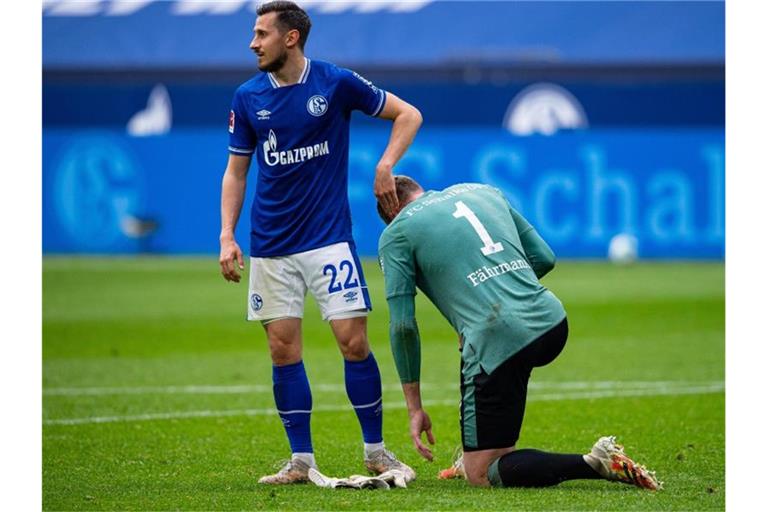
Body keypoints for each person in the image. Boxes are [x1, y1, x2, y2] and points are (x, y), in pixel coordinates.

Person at [218, 1, 422, 485]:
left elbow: (408, 115)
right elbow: (236, 171)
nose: (253, 42)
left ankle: (375, 451)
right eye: (254, 33)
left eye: (262, 33)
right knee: (282, 351)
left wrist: (385, 165)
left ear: (290, 38)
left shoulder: (334, 82)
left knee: (354, 343)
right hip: (270, 244)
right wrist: (227, 235)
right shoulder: (248, 97)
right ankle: (300, 461)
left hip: (329, 239)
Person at [376, 176, 662, 490]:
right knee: (486, 372)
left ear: (391, 212)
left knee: (481, 473)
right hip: (551, 321)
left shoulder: (396, 233)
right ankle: (485, 448)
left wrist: (415, 407)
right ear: (420, 190)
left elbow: (403, 326)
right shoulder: (483, 191)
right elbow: (544, 257)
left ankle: (596, 462)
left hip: (500, 338)